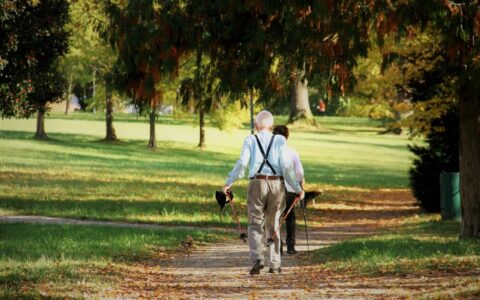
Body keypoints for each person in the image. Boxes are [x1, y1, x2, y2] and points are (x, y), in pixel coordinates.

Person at [223, 110, 304, 275]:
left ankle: (257, 259)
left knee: (254, 223)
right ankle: (275, 263)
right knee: (273, 223)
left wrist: (229, 182)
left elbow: (242, 163)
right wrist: (297, 188)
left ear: (256, 125)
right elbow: (287, 167)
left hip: (256, 183)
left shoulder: (250, 139)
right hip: (277, 184)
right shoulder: (280, 140)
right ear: (272, 126)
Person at [272, 125, 305, 255]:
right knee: (290, 217)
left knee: (276, 217)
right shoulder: (292, 152)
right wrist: (300, 186)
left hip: (275, 188)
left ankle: (278, 247)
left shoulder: (271, 153)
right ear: (287, 137)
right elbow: (299, 172)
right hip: (291, 189)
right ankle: (291, 246)